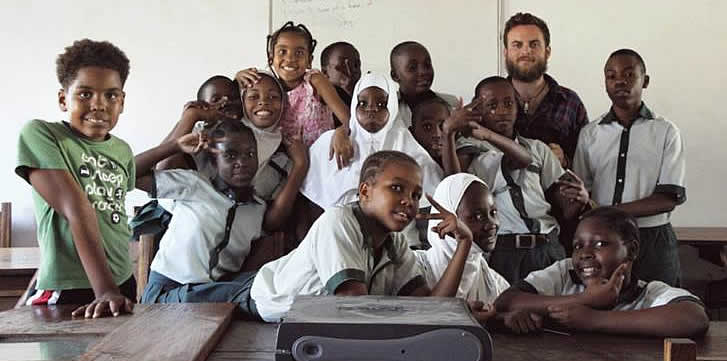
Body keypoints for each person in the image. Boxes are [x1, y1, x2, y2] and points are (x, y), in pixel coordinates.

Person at [251, 150, 485, 322]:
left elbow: (430, 309)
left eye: (416, 195)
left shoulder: (396, 243)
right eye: (396, 188)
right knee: (215, 295)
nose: (408, 200)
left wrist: (464, 242)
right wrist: (425, 312)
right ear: (365, 191)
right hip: (263, 296)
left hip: (306, 321)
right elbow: (355, 306)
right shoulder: (339, 220)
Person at [136, 118, 307, 312]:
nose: (242, 162)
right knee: (254, 292)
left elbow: (276, 221)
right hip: (167, 294)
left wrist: (300, 165)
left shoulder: (256, 209)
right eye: (230, 155)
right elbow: (130, 174)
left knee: (270, 278)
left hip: (213, 293)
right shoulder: (193, 186)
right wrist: (174, 145)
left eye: (250, 154)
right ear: (214, 162)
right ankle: (298, 309)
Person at [16, 39, 135, 318]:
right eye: (85, 94)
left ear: (122, 101)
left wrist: (114, 288)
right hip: (74, 286)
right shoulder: (41, 135)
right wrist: (104, 290)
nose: (99, 105)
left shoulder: (122, 150)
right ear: (62, 99)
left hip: (121, 281)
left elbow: (112, 204)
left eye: (111, 95)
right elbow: (76, 209)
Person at [442, 76, 589, 284]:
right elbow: (455, 185)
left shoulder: (538, 149)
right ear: (478, 111)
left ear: (518, 107)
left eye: (509, 103)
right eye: (492, 105)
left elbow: (565, 209)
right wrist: (451, 132)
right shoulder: (473, 152)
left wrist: (579, 199)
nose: (502, 111)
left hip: (548, 247)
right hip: (504, 251)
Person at [494, 207, 709, 337]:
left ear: (631, 250)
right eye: (578, 245)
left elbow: (693, 317)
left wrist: (593, 319)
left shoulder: (649, 293)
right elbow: (506, 302)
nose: (584, 253)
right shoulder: (564, 272)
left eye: (599, 244)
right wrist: (586, 298)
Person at [573, 49, 686, 286]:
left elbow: (668, 198)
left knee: (661, 310)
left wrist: (611, 212)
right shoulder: (590, 134)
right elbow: (582, 193)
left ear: (645, 81)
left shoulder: (665, 131)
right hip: (603, 240)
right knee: (607, 307)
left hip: (652, 238)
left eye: (628, 75)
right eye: (611, 76)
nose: (619, 81)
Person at [300, 72, 442, 211]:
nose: (371, 110)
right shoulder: (330, 143)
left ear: (392, 107)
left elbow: (431, 190)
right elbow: (312, 200)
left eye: (381, 104)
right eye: (363, 103)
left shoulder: (408, 148)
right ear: (354, 105)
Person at [236, 22, 354, 169]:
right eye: (282, 51)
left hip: (324, 165)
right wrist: (237, 79)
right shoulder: (266, 88)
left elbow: (348, 118)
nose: (290, 58)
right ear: (271, 57)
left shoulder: (315, 82)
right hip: (288, 170)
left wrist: (341, 131)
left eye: (299, 53)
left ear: (310, 60)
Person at [503, 12, 588, 168]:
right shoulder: (487, 99)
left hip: (555, 191)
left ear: (547, 52)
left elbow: (587, 165)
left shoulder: (571, 102)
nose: (526, 51)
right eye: (517, 45)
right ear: (506, 53)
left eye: (534, 44)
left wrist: (564, 160)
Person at [416, 173, 510, 305]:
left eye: (493, 213)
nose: (491, 224)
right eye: (476, 216)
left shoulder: (495, 284)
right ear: (444, 220)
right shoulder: (415, 270)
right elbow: (432, 314)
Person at [389, 41, 458, 128]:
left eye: (427, 65)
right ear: (395, 76)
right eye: (412, 68)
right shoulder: (389, 110)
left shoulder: (452, 104)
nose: (423, 72)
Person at [320, 41, 361, 127]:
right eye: (342, 65)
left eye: (356, 65)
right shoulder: (320, 101)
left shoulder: (365, 94)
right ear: (325, 72)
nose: (352, 69)